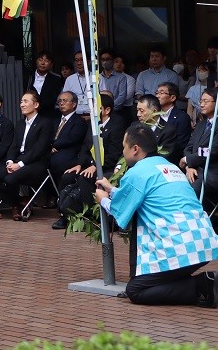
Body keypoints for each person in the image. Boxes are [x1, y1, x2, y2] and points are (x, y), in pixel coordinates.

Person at [95, 125, 218, 307]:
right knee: (157, 279)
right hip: (202, 241)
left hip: (177, 245)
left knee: (135, 290)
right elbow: (143, 194)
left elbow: (121, 213)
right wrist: (112, 190)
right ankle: (202, 284)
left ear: (135, 149)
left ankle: (202, 285)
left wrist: (103, 200)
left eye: (124, 147)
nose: (123, 151)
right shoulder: (169, 166)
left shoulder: (136, 172)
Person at [53, 92, 126, 230]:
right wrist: (80, 164)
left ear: (107, 110)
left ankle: (91, 216)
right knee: (67, 175)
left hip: (107, 166)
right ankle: (65, 215)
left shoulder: (116, 126)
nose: (93, 111)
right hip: (89, 164)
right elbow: (85, 148)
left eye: (96, 107)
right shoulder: (92, 124)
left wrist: (95, 166)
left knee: (85, 178)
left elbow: (114, 154)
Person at [0, 90, 54, 220]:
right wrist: (10, 161)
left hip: (36, 163)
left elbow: (39, 149)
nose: (22, 104)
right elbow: (14, 146)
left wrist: (20, 164)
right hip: (18, 161)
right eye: (21, 101)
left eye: (26, 101)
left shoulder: (45, 123)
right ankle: (19, 202)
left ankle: (17, 205)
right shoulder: (20, 123)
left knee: (10, 179)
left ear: (36, 105)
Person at [181, 88, 218, 207]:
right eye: (201, 100)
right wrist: (189, 166)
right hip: (196, 170)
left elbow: (211, 151)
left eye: (206, 101)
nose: (201, 104)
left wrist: (188, 160)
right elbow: (189, 147)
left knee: (190, 188)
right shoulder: (201, 124)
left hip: (212, 173)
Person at [61, 51, 107, 117]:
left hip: (93, 116)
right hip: (75, 116)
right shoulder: (69, 79)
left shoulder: (97, 78)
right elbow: (64, 99)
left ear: (88, 62)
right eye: (77, 60)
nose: (79, 63)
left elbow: (104, 97)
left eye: (82, 60)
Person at [155, 82, 192, 160]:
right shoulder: (153, 115)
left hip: (172, 159)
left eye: (161, 93)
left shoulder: (182, 117)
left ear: (172, 98)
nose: (157, 96)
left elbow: (181, 144)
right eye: (157, 93)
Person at [27, 50, 64, 122]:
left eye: (46, 61)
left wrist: (37, 106)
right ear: (36, 61)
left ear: (51, 64)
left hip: (50, 117)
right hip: (31, 116)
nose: (43, 63)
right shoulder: (28, 78)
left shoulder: (56, 79)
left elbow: (54, 99)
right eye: (40, 60)